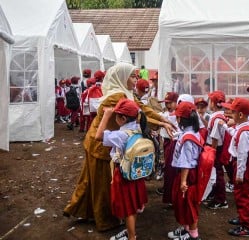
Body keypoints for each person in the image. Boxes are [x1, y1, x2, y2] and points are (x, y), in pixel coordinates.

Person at [63, 62, 175, 232]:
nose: (136, 79)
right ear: (121, 77)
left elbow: (142, 109)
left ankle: (81, 210)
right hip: (101, 145)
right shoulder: (117, 97)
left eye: (136, 76)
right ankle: (106, 220)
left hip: (107, 141)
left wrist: (163, 120)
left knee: (92, 181)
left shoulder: (126, 94)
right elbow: (137, 115)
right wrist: (160, 122)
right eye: (132, 76)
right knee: (102, 185)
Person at [95, 98, 149, 240]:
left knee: (128, 209)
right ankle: (130, 233)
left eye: (116, 116)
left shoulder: (121, 135)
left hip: (124, 175)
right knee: (133, 205)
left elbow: (98, 136)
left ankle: (131, 237)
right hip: (136, 173)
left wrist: (106, 115)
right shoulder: (139, 129)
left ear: (123, 118)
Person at [221, 98, 249, 237]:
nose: (230, 114)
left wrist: (240, 174)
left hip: (241, 167)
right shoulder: (242, 128)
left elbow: (242, 155)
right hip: (239, 165)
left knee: (242, 196)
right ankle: (242, 218)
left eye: (233, 112)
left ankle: (247, 226)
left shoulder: (245, 132)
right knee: (239, 194)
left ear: (240, 115)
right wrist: (225, 127)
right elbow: (235, 135)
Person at [167, 102, 202, 240]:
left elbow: (186, 162)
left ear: (180, 119)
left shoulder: (188, 138)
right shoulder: (192, 132)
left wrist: (182, 181)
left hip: (187, 175)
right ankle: (187, 229)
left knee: (189, 203)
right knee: (184, 203)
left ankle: (193, 234)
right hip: (189, 174)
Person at [206, 91, 229, 210]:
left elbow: (215, 138)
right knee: (216, 173)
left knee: (218, 174)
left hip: (216, 148)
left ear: (214, 103)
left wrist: (212, 152)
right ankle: (216, 195)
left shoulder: (216, 117)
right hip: (217, 147)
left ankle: (221, 199)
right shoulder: (221, 115)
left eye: (210, 101)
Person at [157, 92, 180, 206]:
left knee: (171, 170)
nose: (167, 105)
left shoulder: (174, 114)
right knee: (169, 169)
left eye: (170, 103)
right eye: (166, 103)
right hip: (167, 142)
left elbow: (162, 117)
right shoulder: (167, 113)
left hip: (173, 142)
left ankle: (172, 197)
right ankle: (171, 195)